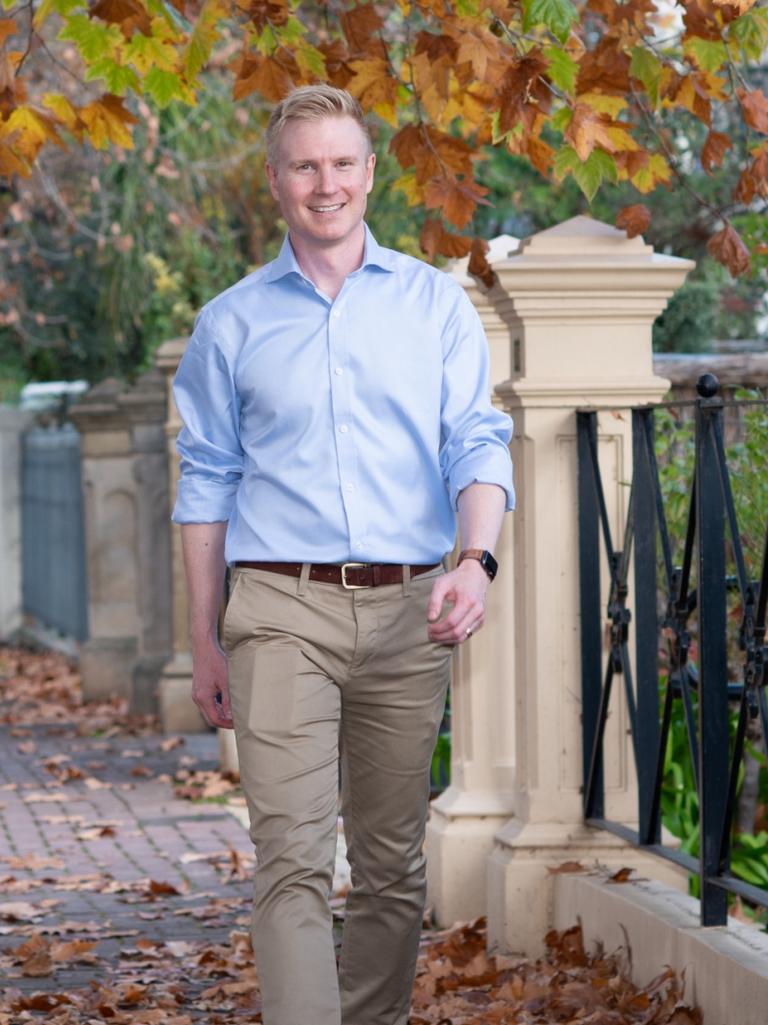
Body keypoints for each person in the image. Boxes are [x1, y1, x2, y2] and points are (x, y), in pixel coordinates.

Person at [171, 84, 514, 1025]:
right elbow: (205, 485)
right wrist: (204, 638)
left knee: (393, 863)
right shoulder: (229, 325)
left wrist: (474, 561)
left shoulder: (434, 306)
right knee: (290, 857)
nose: (326, 183)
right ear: (277, 182)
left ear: (370, 173)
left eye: (342, 162)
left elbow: (476, 443)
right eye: (304, 165)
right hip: (280, 608)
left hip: (412, 611)